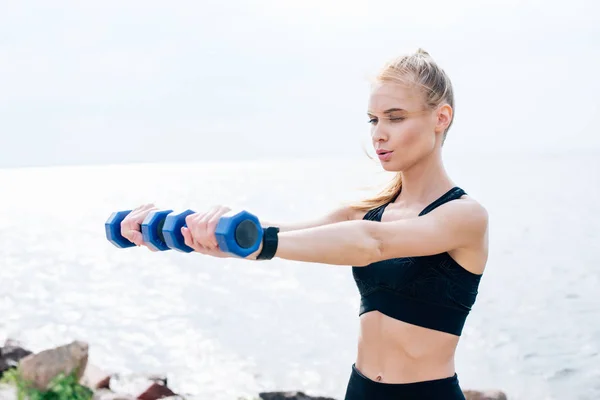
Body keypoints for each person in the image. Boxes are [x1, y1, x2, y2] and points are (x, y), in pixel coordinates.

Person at [120, 48, 489, 400]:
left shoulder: (464, 216)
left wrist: (259, 242)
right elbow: (280, 234)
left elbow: (373, 243)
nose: (378, 133)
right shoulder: (365, 211)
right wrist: (176, 229)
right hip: (361, 390)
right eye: (373, 120)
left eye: (395, 117)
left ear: (441, 117)